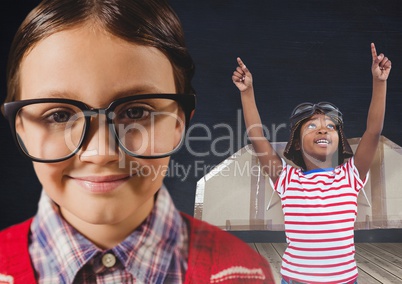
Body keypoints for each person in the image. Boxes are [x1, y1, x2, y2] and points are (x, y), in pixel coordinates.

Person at [0, 0, 275, 283]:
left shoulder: (245, 273)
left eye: (135, 112)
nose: (100, 152)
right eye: (58, 115)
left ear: (179, 123)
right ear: (20, 126)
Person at [232, 43, 391, 284]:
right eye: (312, 126)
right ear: (296, 143)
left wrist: (379, 83)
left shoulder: (351, 175)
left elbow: (373, 131)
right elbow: (257, 138)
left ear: (339, 140)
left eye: (330, 126)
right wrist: (247, 92)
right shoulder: (287, 179)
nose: (323, 130)